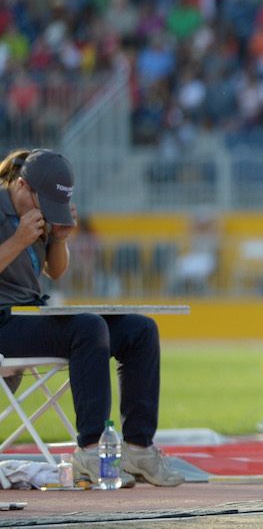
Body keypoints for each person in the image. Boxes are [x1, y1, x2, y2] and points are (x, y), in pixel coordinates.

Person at [0, 149, 184, 487]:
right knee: (88, 327)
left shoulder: (35, 210)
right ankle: (90, 450)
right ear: (22, 186)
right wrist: (17, 240)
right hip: (3, 323)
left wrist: (58, 239)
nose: (45, 213)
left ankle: (138, 448)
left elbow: (54, 271)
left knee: (140, 329)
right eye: (43, 204)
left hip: (31, 311)